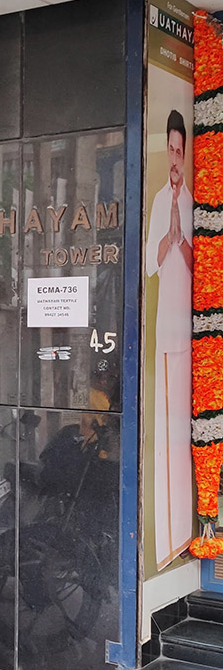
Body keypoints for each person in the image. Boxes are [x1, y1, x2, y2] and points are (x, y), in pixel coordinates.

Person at [145, 108, 194, 569]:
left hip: (192, 330)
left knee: (184, 431)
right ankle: (168, 543)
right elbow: (149, 263)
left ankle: (186, 532)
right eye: (171, 150)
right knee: (165, 434)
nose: (175, 157)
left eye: (181, 150)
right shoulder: (161, 200)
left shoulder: (194, 200)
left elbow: (203, 264)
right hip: (166, 332)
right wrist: (169, 234)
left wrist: (184, 236)